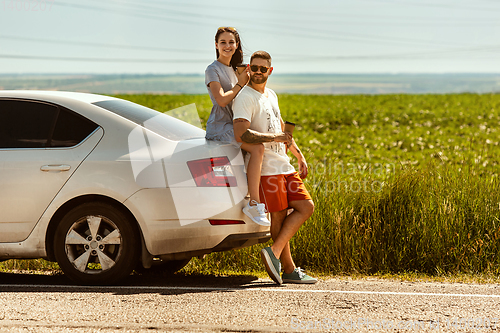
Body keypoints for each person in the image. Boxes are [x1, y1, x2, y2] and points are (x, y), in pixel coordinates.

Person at [233, 51, 317, 285]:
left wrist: (298, 155)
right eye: (255, 68)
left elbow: (283, 131)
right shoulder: (244, 97)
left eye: (263, 69)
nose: (258, 72)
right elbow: (241, 134)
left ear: (270, 71)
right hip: (267, 168)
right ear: (249, 69)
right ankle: (289, 270)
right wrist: (274, 137)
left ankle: (275, 251)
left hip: (285, 165)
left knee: (306, 206)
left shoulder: (271, 95)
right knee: (278, 216)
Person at [205, 27, 269, 226]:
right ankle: (253, 202)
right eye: (223, 42)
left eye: (231, 42)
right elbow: (221, 100)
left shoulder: (237, 70)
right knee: (257, 147)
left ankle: (258, 198)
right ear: (216, 45)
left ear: (236, 45)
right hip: (220, 127)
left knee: (261, 144)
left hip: (236, 124)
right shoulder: (212, 70)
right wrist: (240, 84)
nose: (227, 46)